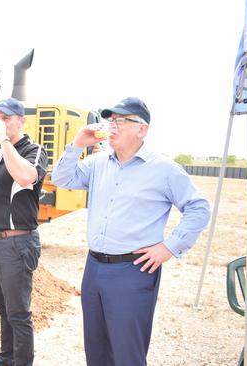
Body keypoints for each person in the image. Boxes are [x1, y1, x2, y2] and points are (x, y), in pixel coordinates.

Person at [51, 97, 210, 366]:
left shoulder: (164, 169)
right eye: (111, 120)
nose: (113, 126)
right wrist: (77, 144)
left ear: (142, 129)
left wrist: (169, 246)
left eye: (122, 121)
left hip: (132, 271)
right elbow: (61, 179)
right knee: (97, 351)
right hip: (94, 268)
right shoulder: (98, 163)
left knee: (127, 354)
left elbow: (199, 208)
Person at [0, 98, 47, 366]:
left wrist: (4, 142)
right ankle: (5, 360)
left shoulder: (33, 150)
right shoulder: (0, 154)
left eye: (7, 118)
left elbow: (25, 177)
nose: (1, 122)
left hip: (17, 243)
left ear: (21, 120)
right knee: (4, 310)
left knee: (18, 313)